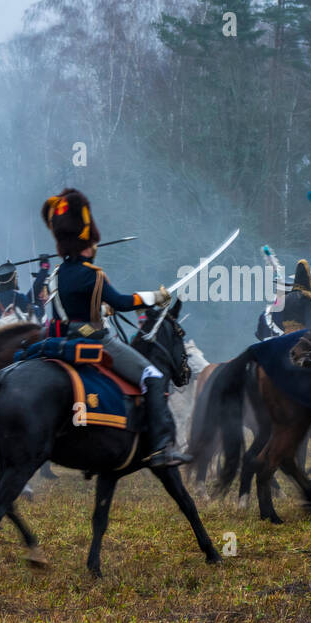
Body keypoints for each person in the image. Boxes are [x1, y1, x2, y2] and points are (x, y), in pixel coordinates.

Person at [41, 187, 188, 467]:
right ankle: (161, 447)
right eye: (93, 243)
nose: (95, 247)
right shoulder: (92, 274)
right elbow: (121, 302)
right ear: (88, 242)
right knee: (153, 376)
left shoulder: (57, 275)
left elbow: (70, 311)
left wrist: (96, 310)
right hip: (97, 341)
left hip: (68, 338)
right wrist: (155, 297)